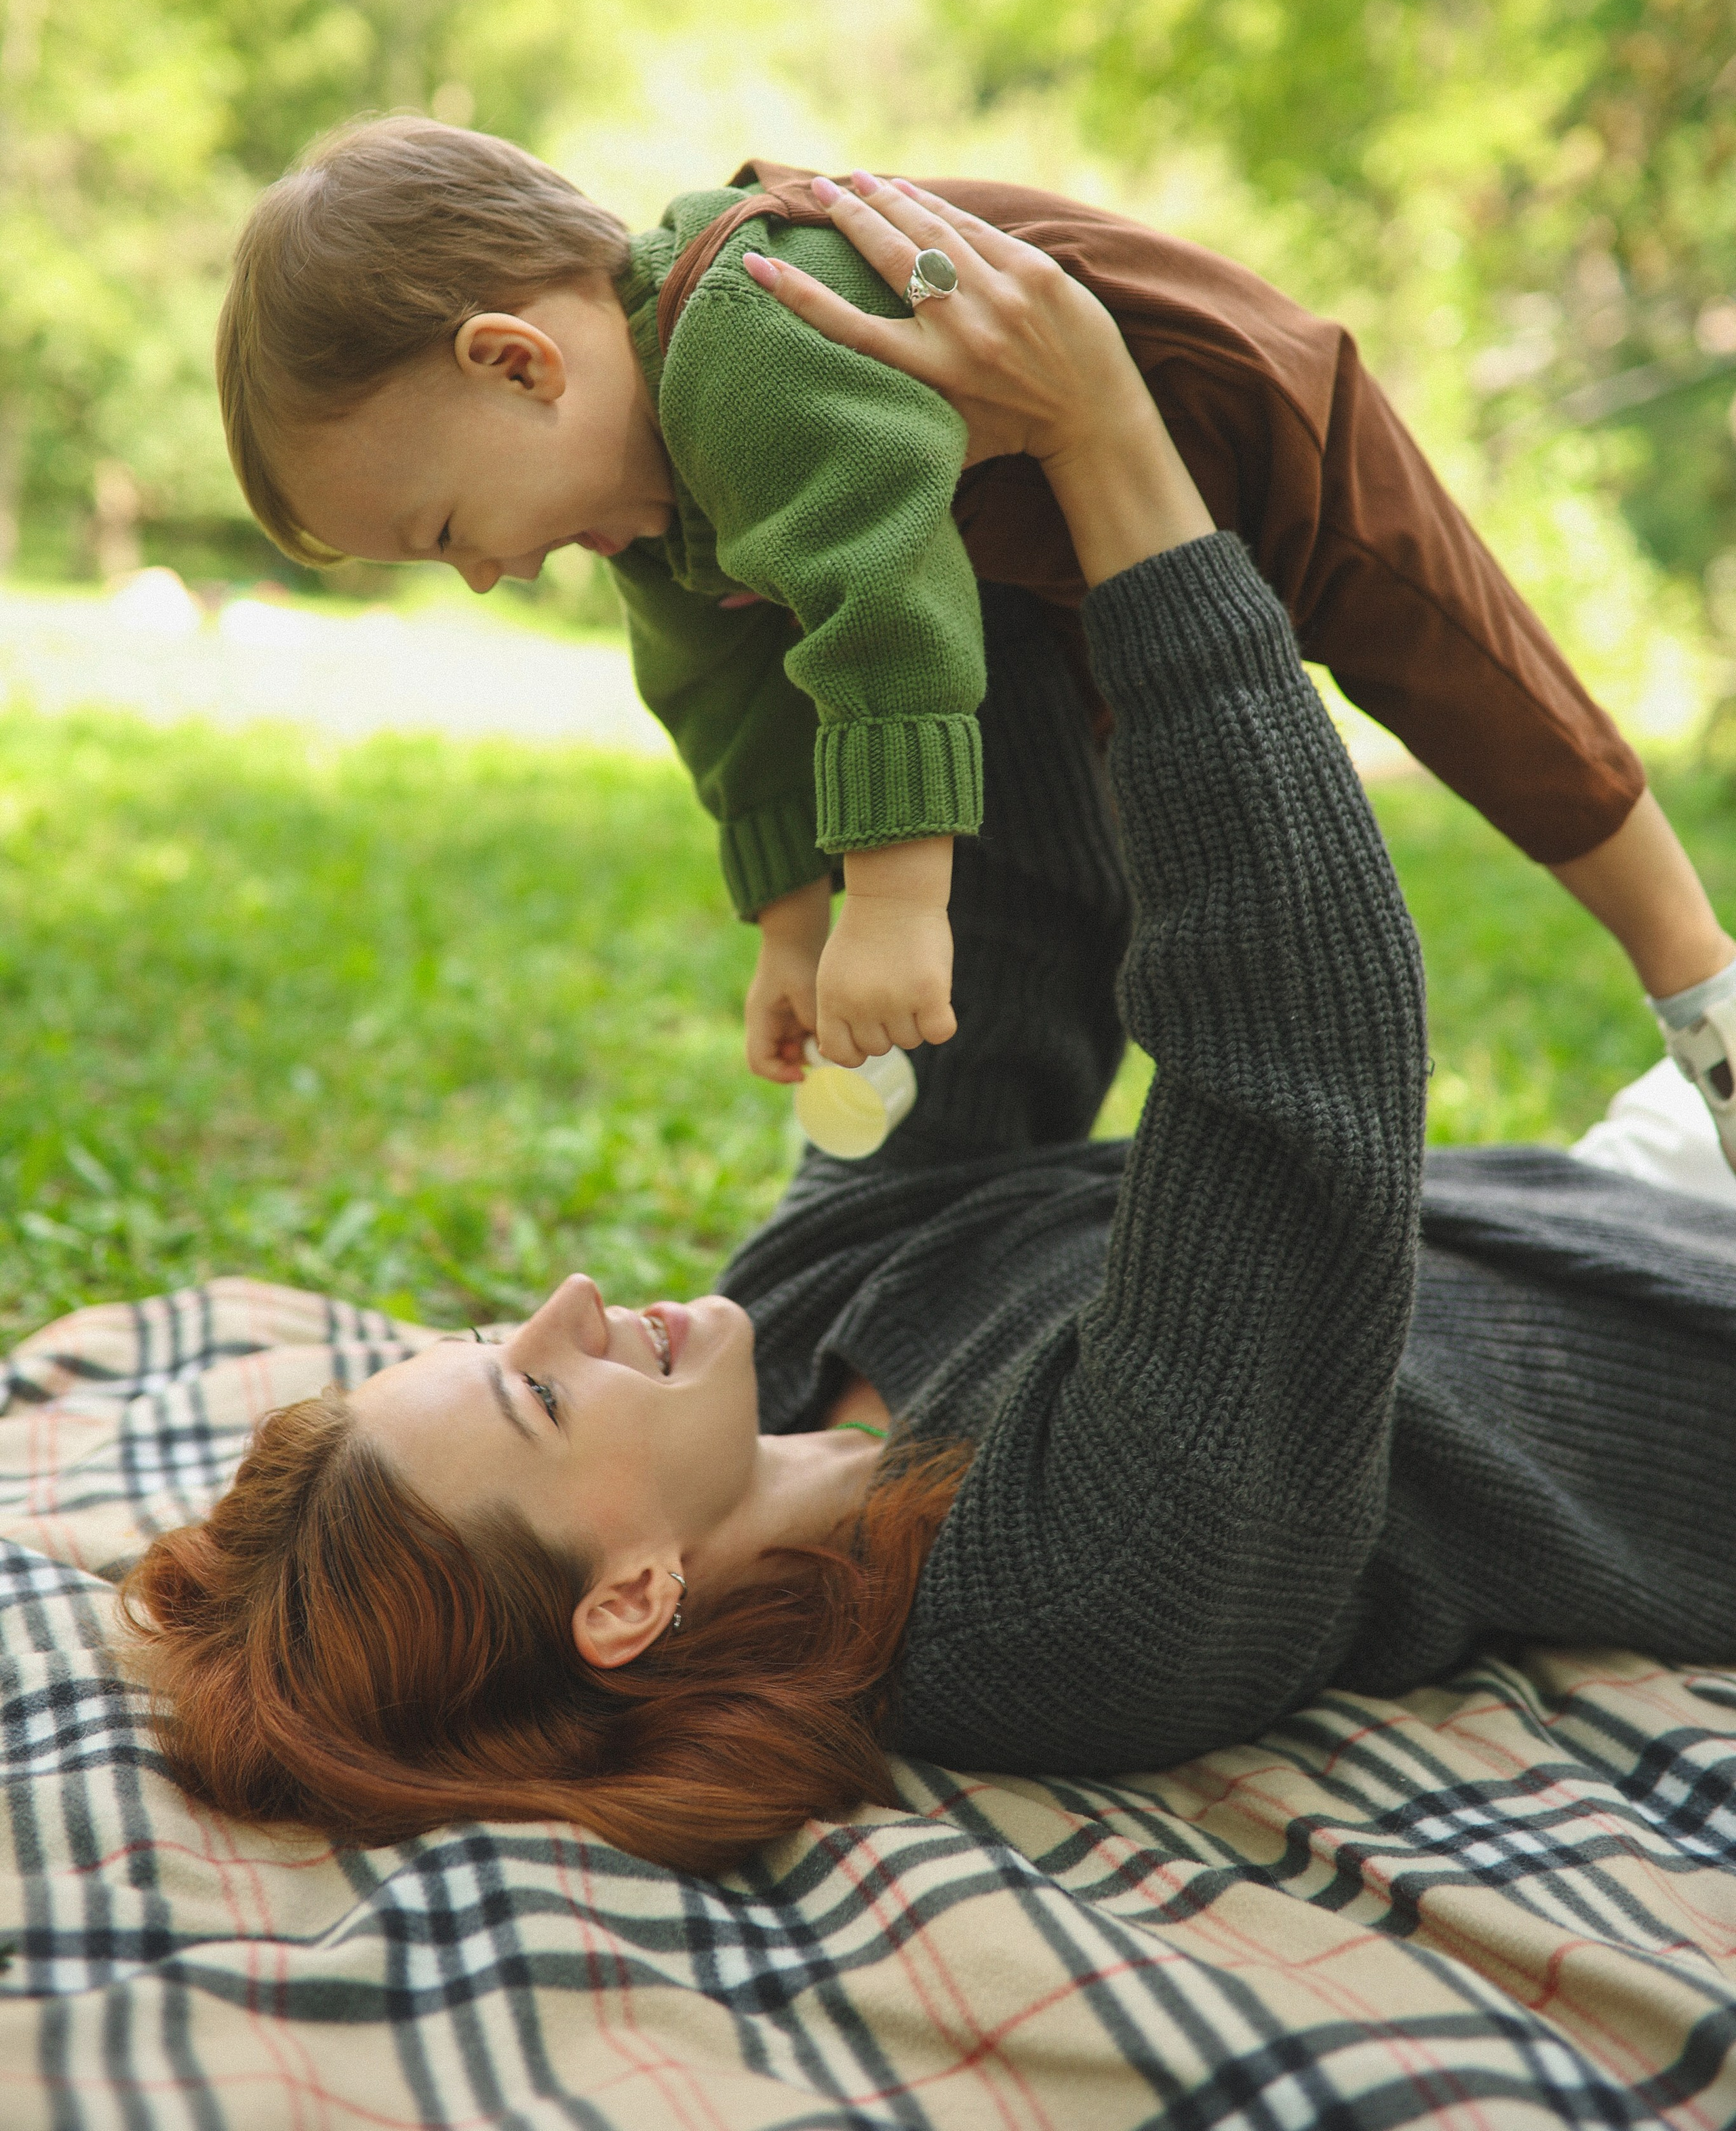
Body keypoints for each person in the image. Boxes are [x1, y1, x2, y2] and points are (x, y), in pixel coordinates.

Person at [132, 183, 1736, 1881]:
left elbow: (1017, 926)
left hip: (1612, 1200)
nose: (572, 1300)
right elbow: (1299, 1055)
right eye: (534, 1392)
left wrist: (896, 440)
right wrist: (1107, 441)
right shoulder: (1064, 1595)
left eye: (493, 1331)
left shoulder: (796, 1319)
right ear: (626, 1602)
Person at [212, 121, 1736, 1145]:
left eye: (443, 530)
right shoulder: (648, 497)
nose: (482, 578)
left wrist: (891, 902)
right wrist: (794, 932)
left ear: (518, 364)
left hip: (1227, 421)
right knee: (1152, 840)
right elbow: (721, 696)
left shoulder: (743, 341)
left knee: (1463, 671)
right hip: (1056, 556)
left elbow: (881, 607)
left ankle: (1699, 987)